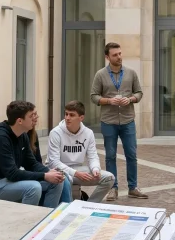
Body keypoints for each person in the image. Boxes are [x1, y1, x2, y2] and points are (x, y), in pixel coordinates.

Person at [0, 101, 63, 207]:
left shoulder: (22, 135)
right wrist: (44, 176)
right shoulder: (0, 138)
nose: (34, 119)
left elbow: (31, 164)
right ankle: (26, 221)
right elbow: (12, 173)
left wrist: (49, 171)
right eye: (31, 116)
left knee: (57, 181)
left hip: (7, 181)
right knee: (33, 188)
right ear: (20, 121)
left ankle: (47, 219)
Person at [90, 42, 147, 201]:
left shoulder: (131, 73)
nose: (119, 57)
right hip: (109, 121)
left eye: (120, 54)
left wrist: (130, 99)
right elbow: (93, 96)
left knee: (131, 154)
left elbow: (139, 93)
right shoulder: (100, 75)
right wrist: (109, 101)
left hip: (128, 120)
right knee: (110, 156)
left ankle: (133, 187)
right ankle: (112, 189)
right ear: (107, 57)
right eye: (115, 55)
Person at [48, 101, 115, 203]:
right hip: (58, 171)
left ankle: (89, 205)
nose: (67, 118)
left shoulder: (88, 133)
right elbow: (54, 162)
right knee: (66, 181)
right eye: (66, 114)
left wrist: (95, 168)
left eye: (72, 115)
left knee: (109, 178)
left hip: (78, 169)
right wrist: (76, 173)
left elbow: (92, 155)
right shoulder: (56, 133)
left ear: (81, 118)